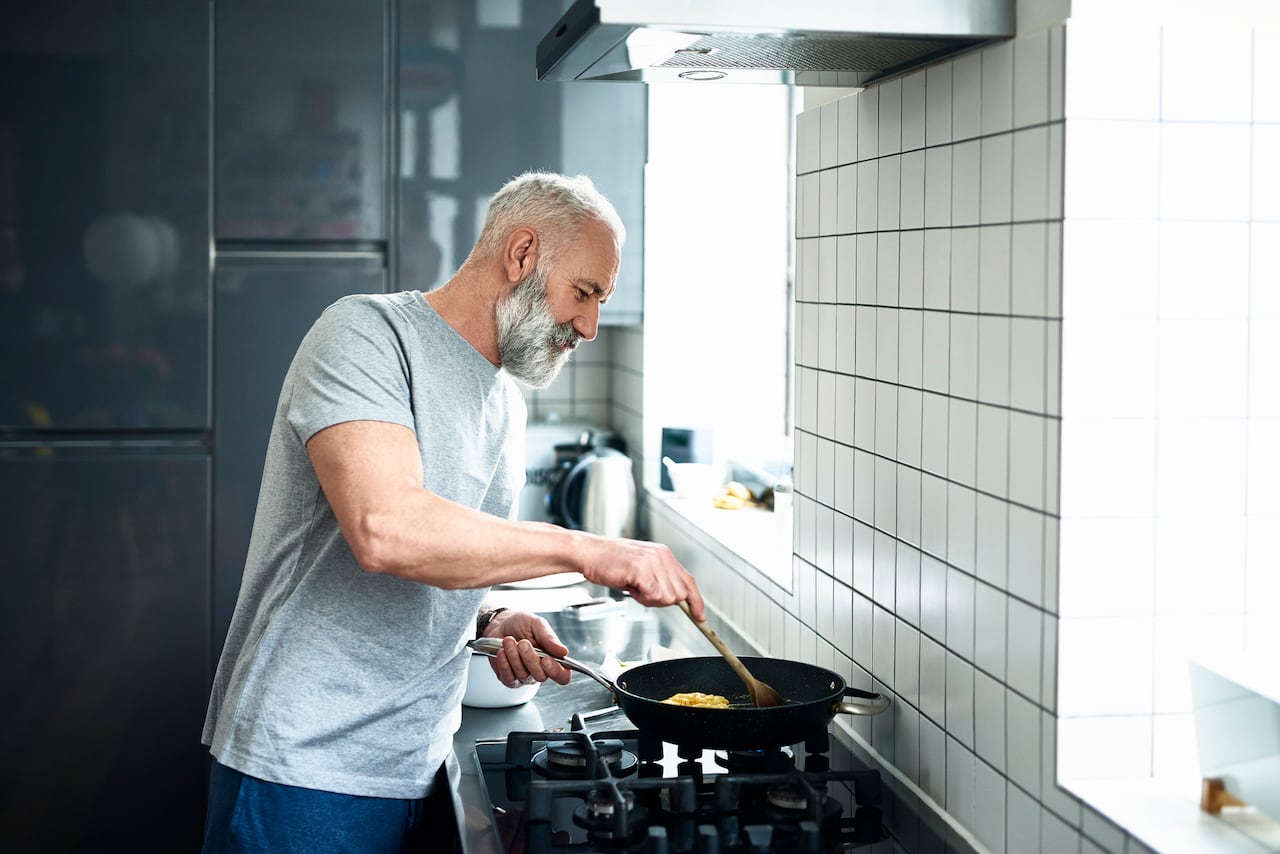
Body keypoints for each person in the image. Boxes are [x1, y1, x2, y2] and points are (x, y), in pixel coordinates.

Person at [200, 171, 706, 853]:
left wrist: (491, 619)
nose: (589, 325)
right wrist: (592, 549)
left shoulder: (503, 404)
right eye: (583, 293)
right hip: (304, 766)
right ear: (522, 254)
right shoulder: (366, 335)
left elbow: (441, 558)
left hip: (416, 764)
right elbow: (387, 531)